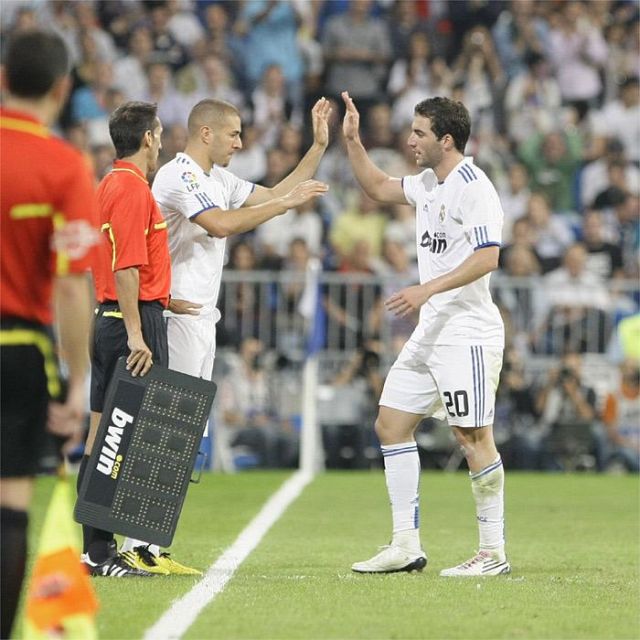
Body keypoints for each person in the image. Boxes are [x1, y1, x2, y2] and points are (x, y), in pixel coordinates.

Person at [118, 97, 329, 565]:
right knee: (164, 428)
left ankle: (151, 546)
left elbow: (274, 194)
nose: (240, 142)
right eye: (233, 134)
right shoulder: (179, 175)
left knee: (183, 433)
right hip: (175, 316)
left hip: (200, 317)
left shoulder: (218, 178)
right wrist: (283, 205)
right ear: (206, 133)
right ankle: (134, 545)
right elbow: (218, 225)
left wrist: (316, 148)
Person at [342, 91, 510, 577]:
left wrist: (425, 289)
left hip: (467, 332)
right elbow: (377, 186)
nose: (410, 140)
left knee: (472, 437)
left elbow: (488, 256)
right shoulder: (427, 184)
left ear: (447, 140)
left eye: (419, 133)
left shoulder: (474, 187)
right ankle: (405, 544)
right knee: (391, 424)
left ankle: (492, 552)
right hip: (432, 330)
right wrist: (352, 140)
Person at [0, 30, 98, 637]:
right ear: (62, 89)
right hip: (16, 350)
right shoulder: (62, 165)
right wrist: (77, 381)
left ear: (3, 78)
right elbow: (69, 285)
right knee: (10, 503)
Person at [76, 101, 199, 577]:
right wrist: (137, 332)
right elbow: (126, 265)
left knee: (100, 435)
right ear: (148, 138)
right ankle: (101, 553)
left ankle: (93, 550)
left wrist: (163, 298)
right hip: (129, 324)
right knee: (120, 439)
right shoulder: (130, 189)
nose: (162, 141)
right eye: (160, 133)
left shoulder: (109, 184)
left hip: (111, 315)